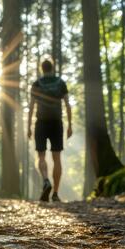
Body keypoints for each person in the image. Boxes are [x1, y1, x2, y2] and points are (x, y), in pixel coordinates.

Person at [27, 59, 72, 202]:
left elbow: (31, 107)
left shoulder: (37, 84)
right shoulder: (60, 83)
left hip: (41, 123)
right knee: (57, 158)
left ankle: (46, 180)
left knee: (41, 156)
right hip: (56, 123)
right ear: (52, 68)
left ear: (42, 69)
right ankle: (56, 194)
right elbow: (67, 105)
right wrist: (70, 125)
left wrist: (28, 126)